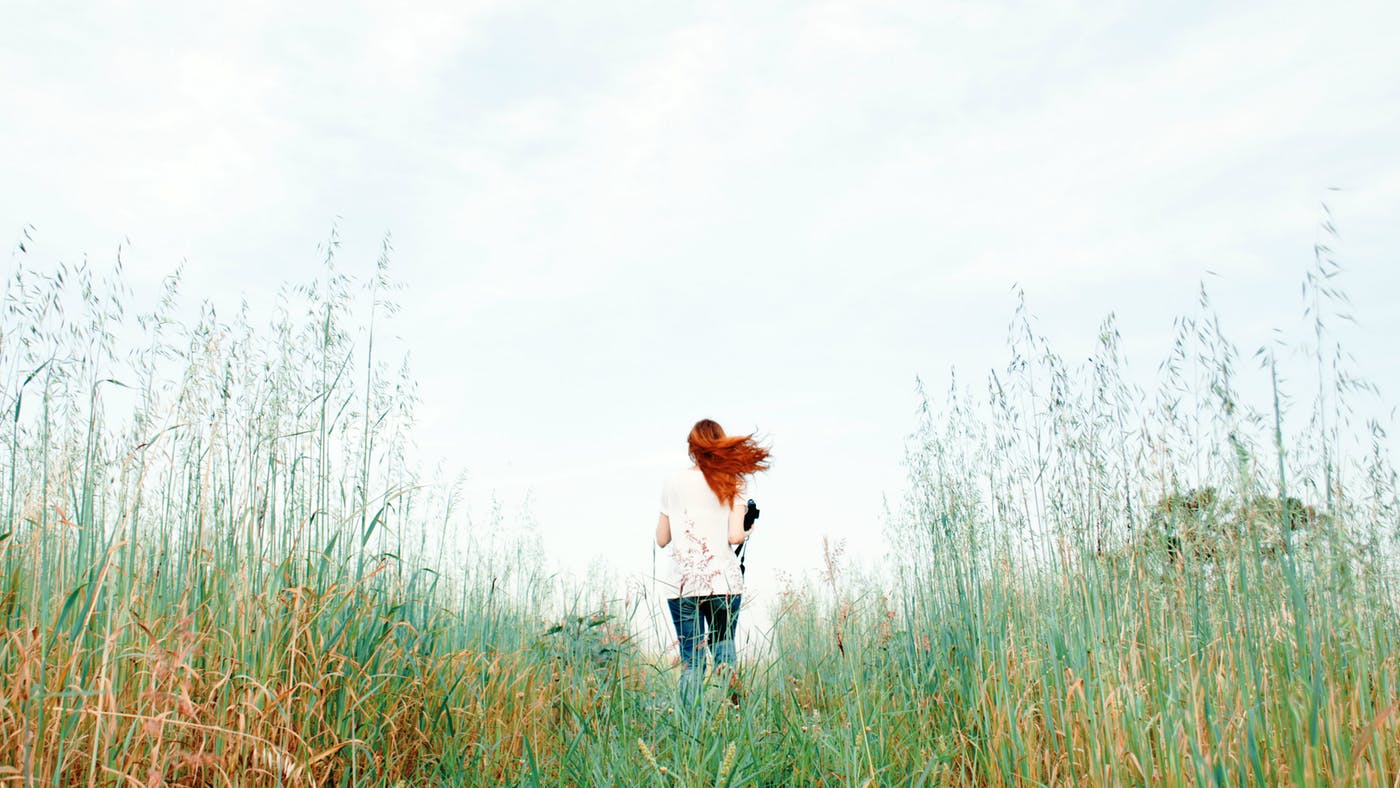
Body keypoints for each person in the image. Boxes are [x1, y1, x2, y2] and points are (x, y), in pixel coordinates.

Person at [655, 418, 770, 706]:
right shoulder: (733, 480)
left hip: (683, 585)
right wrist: (747, 530)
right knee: (724, 654)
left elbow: (661, 538)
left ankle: (687, 728)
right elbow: (734, 537)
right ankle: (732, 721)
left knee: (692, 664)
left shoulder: (673, 482)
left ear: (692, 448)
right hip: (723, 583)